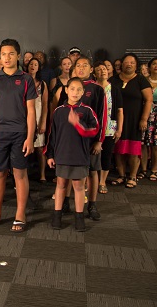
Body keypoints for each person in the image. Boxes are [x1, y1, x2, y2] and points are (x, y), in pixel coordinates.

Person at [0, 39, 36, 232]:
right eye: (3, 54)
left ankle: (20, 213)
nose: (7, 57)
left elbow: (31, 111)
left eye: (11, 54)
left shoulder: (26, 79)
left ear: (18, 56)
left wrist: (30, 137)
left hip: (20, 133)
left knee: (20, 173)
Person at [52, 56, 106, 220]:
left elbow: (102, 116)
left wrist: (99, 140)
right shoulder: (66, 87)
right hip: (70, 143)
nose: (81, 68)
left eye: (85, 65)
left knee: (92, 171)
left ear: (91, 69)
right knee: (68, 174)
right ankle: (66, 203)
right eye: (78, 65)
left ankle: (92, 204)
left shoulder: (97, 89)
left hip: (90, 139)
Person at [46, 77, 99, 232]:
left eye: (79, 89)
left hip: (80, 156)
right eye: (72, 89)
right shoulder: (58, 111)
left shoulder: (87, 111)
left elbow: (94, 131)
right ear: (66, 90)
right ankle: (57, 216)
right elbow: (52, 135)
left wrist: (78, 124)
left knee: (78, 186)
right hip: (62, 155)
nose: (75, 92)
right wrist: (50, 154)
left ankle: (79, 216)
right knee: (61, 185)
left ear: (83, 92)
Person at [110, 53, 153, 188]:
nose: (129, 64)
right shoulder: (113, 80)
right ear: (121, 64)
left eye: (132, 63)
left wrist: (144, 119)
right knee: (118, 149)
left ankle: (133, 176)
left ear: (136, 65)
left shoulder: (141, 80)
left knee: (133, 149)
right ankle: (121, 175)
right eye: (126, 62)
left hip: (135, 120)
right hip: (116, 120)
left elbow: (148, 100)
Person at [94, 61, 123, 194]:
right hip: (94, 127)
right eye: (99, 70)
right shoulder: (92, 88)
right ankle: (92, 181)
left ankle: (102, 182)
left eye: (104, 69)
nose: (102, 71)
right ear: (94, 73)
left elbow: (119, 111)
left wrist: (119, 129)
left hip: (110, 128)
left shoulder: (115, 88)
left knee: (106, 156)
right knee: (93, 156)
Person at [27, 58, 48, 182]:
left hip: (39, 114)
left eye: (36, 64)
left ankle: (42, 174)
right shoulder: (23, 80)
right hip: (25, 115)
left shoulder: (43, 84)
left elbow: (45, 104)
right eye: (31, 64)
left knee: (40, 148)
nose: (33, 66)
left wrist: (43, 121)